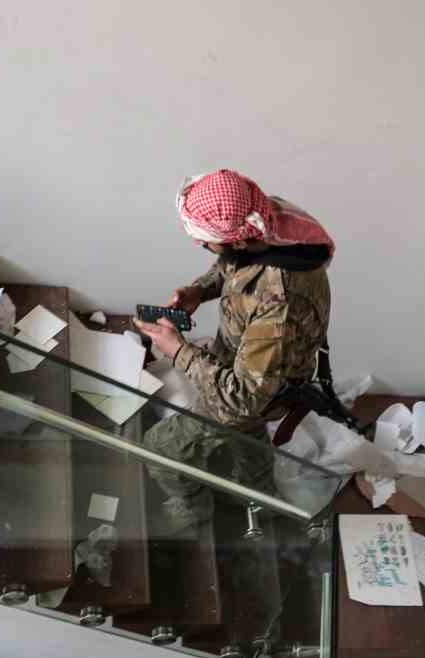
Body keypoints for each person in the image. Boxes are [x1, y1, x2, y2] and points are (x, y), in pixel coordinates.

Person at [134, 169, 339, 532]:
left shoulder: (280, 303)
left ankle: (194, 510)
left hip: (251, 390)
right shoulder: (271, 221)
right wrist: (200, 290)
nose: (203, 247)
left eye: (206, 242)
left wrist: (177, 350)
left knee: (159, 448)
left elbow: (244, 399)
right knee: (249, 441)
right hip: (251, 367)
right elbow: (235, 264)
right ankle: (259, 497)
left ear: (240, 241)